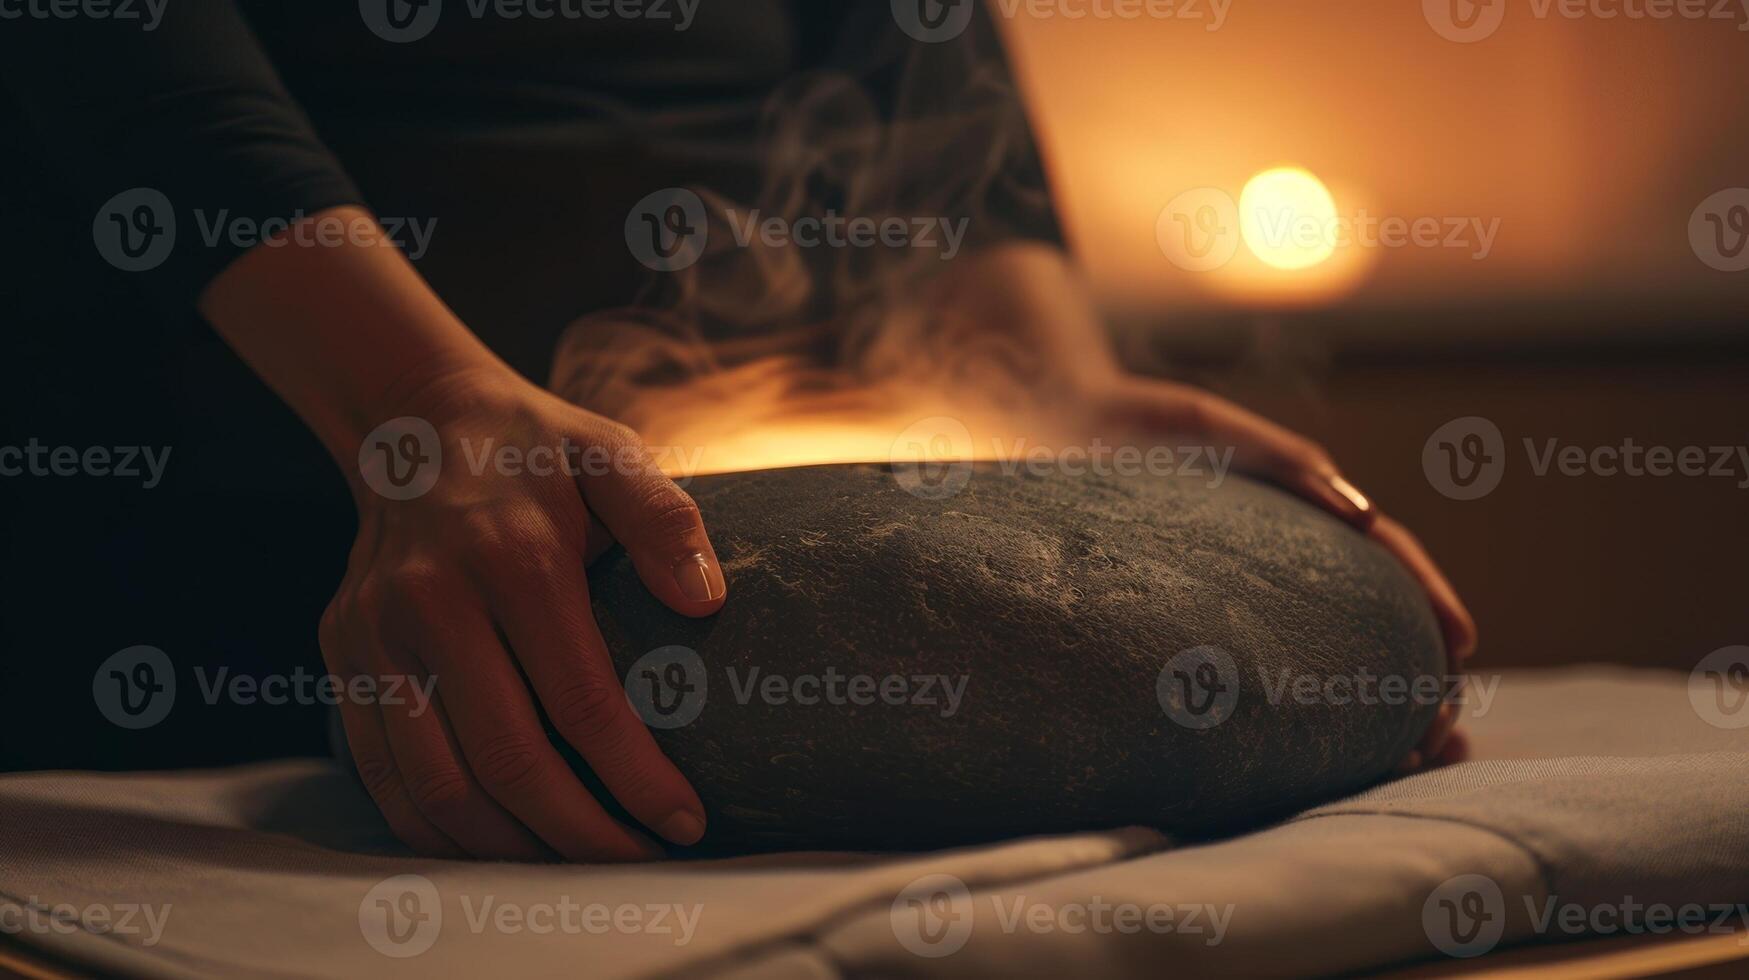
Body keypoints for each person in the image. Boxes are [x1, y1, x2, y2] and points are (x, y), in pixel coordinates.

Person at [0, 1, 1474, 862]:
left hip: (755, 490)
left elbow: (903, 37)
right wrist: (411, 405)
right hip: (206, 510)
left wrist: (1042, 378)